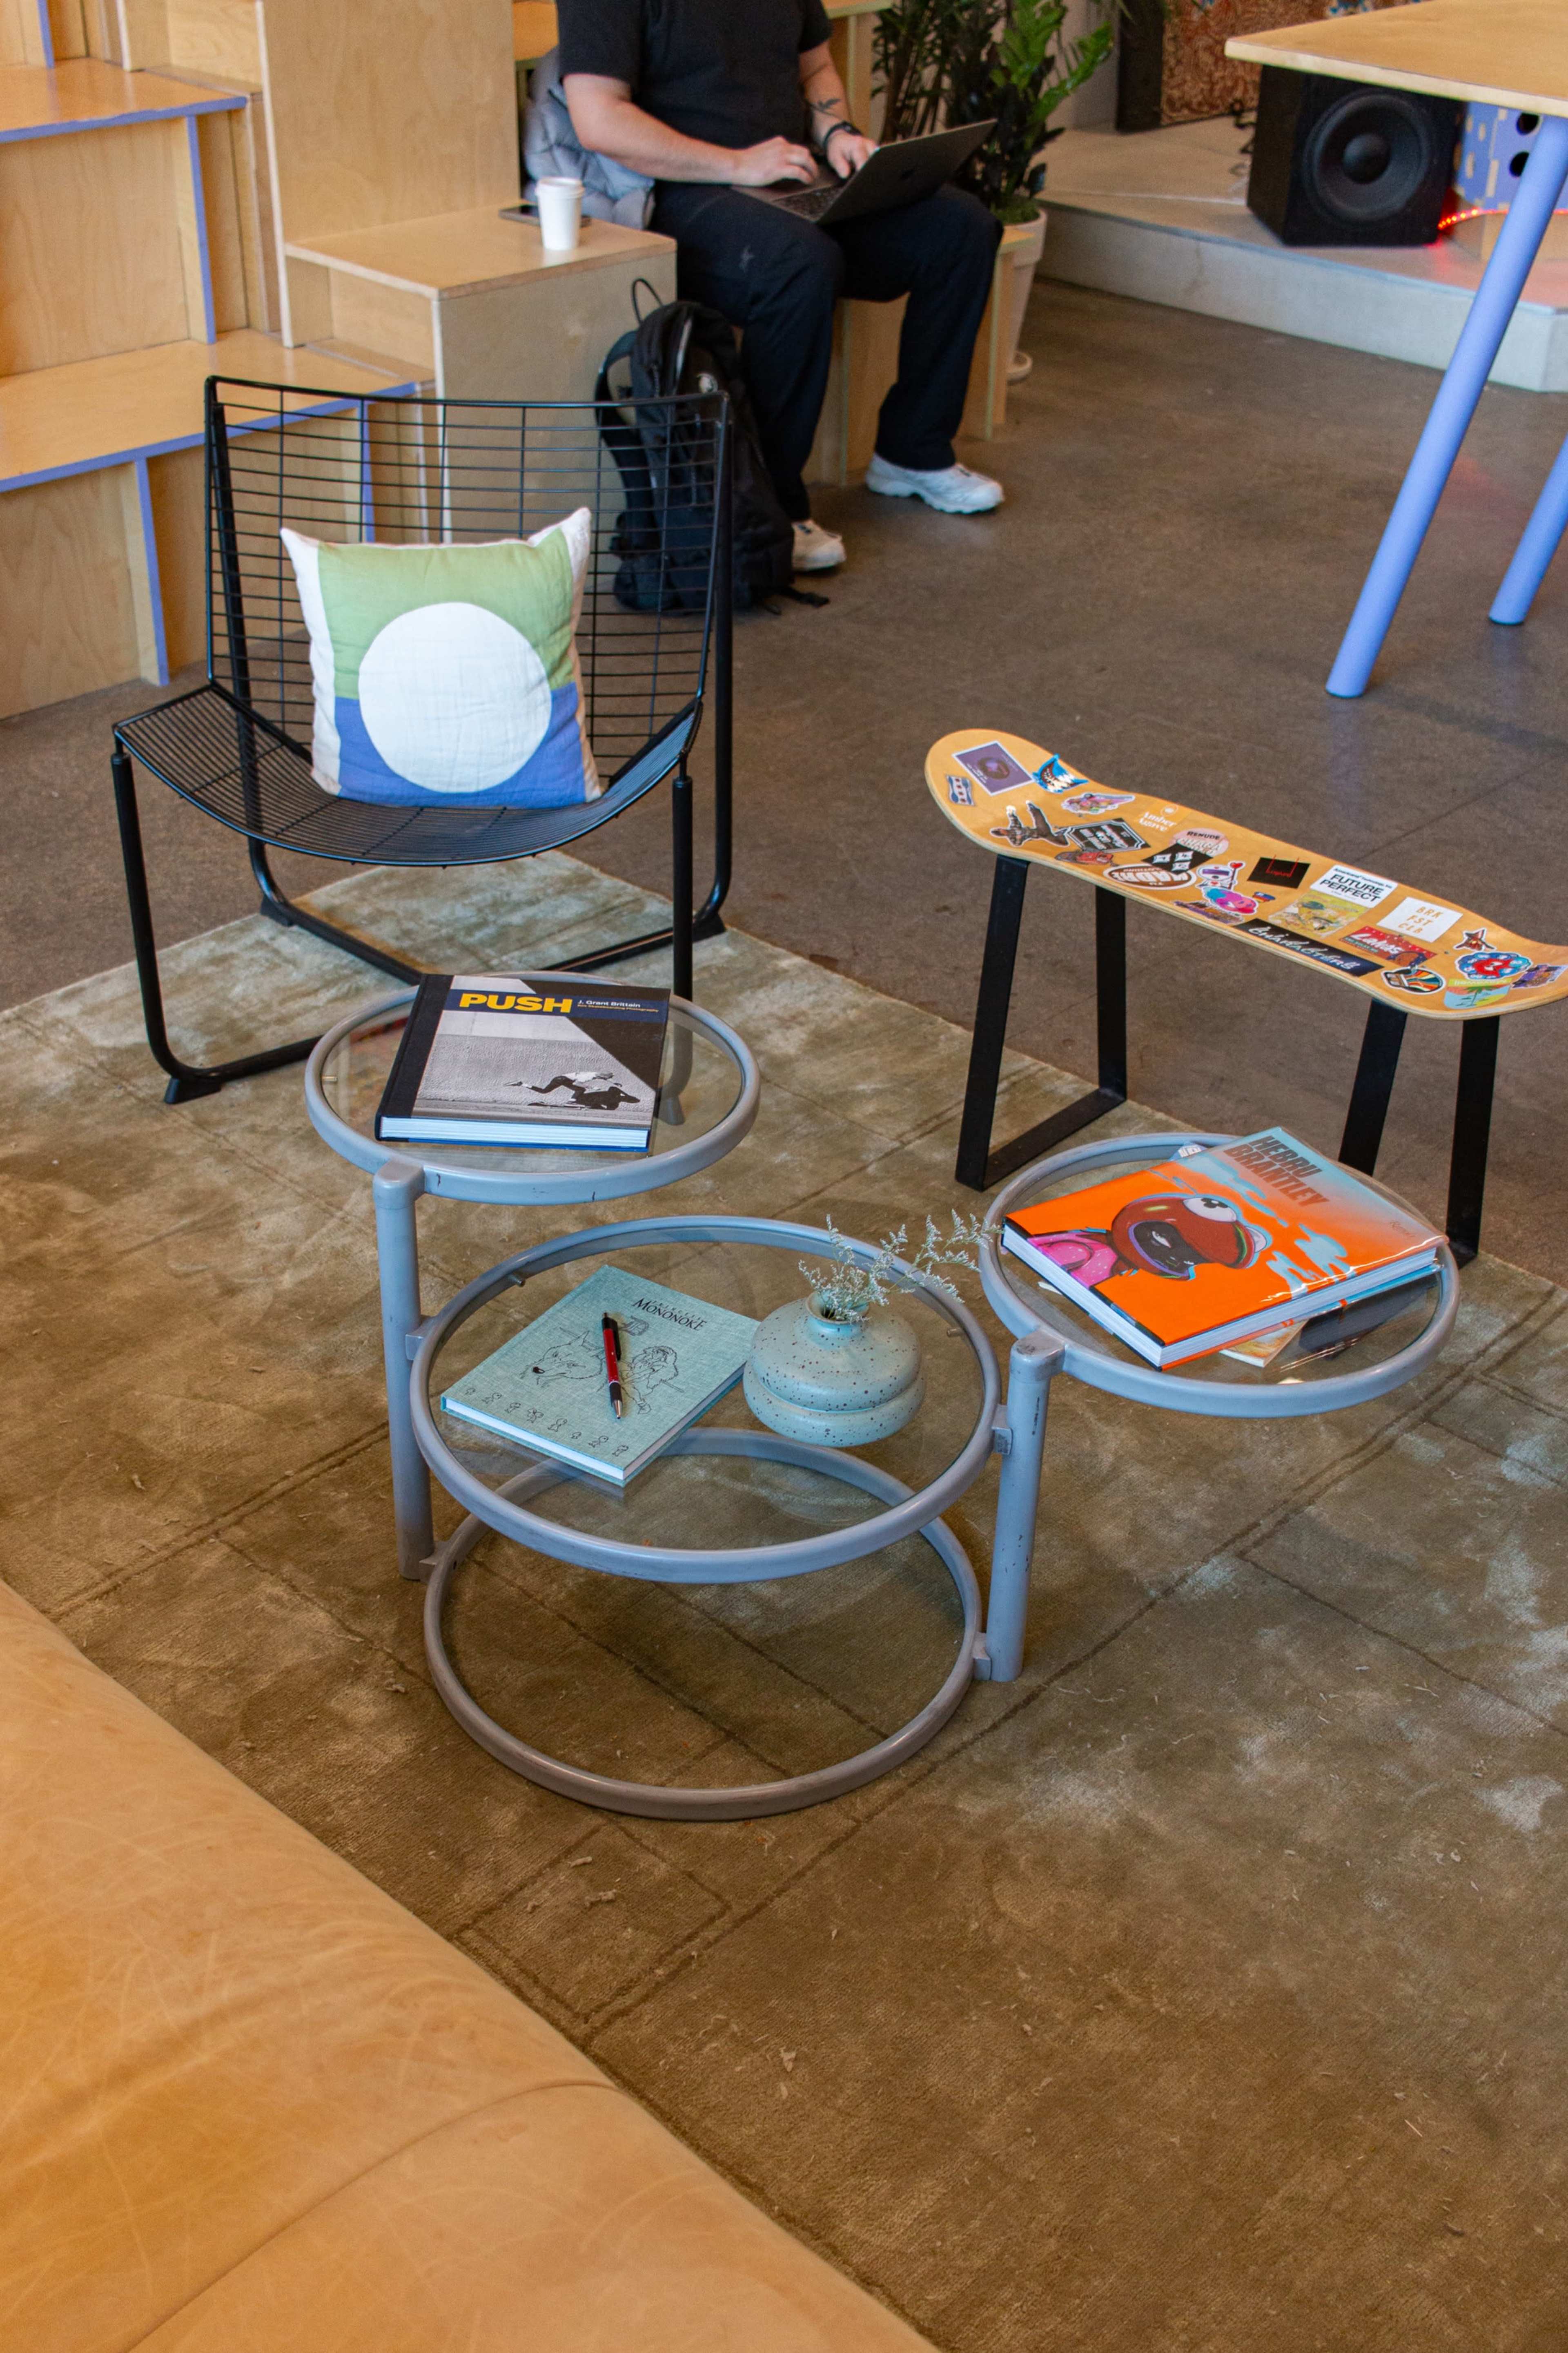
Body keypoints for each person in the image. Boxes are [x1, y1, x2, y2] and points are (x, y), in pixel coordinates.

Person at [557, 0, 1004, 573]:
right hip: (680, 193)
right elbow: (598, 119)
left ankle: (913, 451)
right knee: (800, 264)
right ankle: (770, 510)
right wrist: (737, 165)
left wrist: (836, 130)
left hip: (791, 177)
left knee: (961, 229)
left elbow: (815, 66)